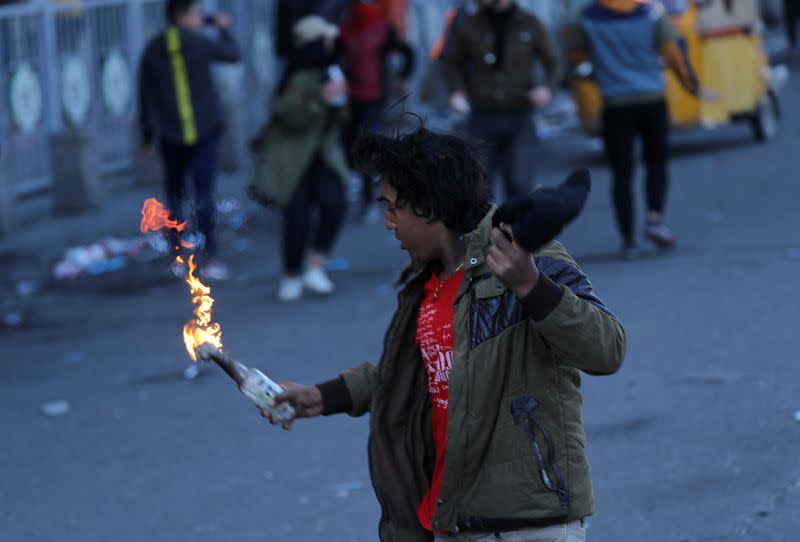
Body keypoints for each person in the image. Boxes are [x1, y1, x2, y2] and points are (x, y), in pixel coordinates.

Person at [262, 127, 626, 541]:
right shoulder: (427, 282)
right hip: (449, 519)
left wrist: (530, 285)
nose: (387, 223)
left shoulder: (523, 257)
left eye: (394, 208)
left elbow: (607, 349)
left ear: (429, 206)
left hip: (529, 525)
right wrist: (323, 395)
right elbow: (420, 376)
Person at [569, 0, 701, 258]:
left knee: (622, 174)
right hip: (652, 99)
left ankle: (627, 240)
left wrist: (602, 70)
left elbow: (576, 57)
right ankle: (654, 218)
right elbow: (672, 54)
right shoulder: (652, 14)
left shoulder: (588, 17)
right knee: (657, 162)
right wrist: (690, 84)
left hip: (615, 104)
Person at [248, 16, 350, 303]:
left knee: (335, 203)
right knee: (297, 219)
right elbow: (289, 116)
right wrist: (321, 100)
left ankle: (315, 267)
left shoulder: (331, 71)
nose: (332, 42)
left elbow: (339, 118)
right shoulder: (299, 77)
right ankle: (291, 274)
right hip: (292, 161)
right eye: (326, 38)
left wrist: (338, 100)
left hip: (322, 157)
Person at [137, 0, 240, 280]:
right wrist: (223, 28)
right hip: (203, 130)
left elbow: (144, 94)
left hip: (170, 133)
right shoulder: (201, 42)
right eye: (195, 13)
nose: (200, 18)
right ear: (181, 16)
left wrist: (147, 135)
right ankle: (212, 257)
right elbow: (233, 54)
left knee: (175, 195)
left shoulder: (153, 47)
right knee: (204, 195)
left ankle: (177, 256)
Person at [443, 0, 562, 201]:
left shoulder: (529, 23)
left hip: (519, 116)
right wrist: (456, 90)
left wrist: (547, 88)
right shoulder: (469, 24)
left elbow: (554, 61)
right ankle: (485, 232)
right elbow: (451, 62)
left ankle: (513, 232)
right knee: (479, 189)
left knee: (520, 185)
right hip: (482, 116)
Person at [339, 0, 415, 221]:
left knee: (365, 147)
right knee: (354, 146)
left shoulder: (379, 28)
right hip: (353, 98)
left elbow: (407, 52)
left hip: (372, 98)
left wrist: (403, 76)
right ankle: (364, 192)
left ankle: (367, 195)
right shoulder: (348, 29)